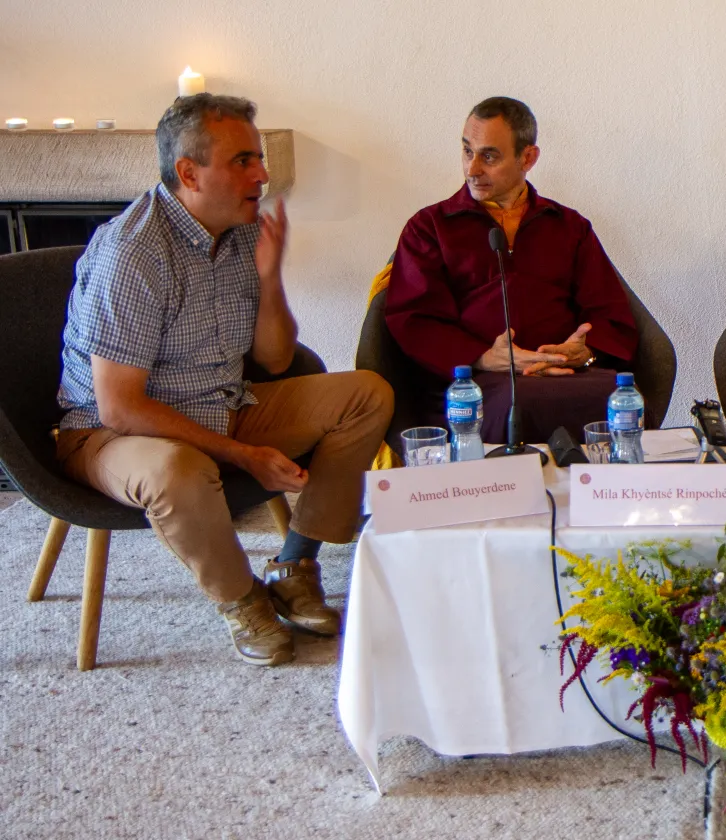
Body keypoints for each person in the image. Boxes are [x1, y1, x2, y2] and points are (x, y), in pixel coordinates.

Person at [56, 94, 394, 667]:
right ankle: (243, 600)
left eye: (259, 159)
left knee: (367, 393)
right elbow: (118, 406)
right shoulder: (133, 252)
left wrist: (269, 275)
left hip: (220, 405)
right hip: (112, 435)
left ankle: (293, 563)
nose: (262, 174)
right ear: (189, 172)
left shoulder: (240, 231)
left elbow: (278, 358)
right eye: (243, 161)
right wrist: (243, 455)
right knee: (175, 470)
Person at [384, 96, 638, 445]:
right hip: (476, 384)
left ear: (528, 158)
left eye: (489, 156)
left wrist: (585, 351)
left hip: (565, 374)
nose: (472, 169)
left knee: (619, 402)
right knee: (519, 402)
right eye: (466, 151)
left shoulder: (568, 226)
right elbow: (414, 319)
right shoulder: (430, 227)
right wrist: (485, 357)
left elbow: (610, 312)